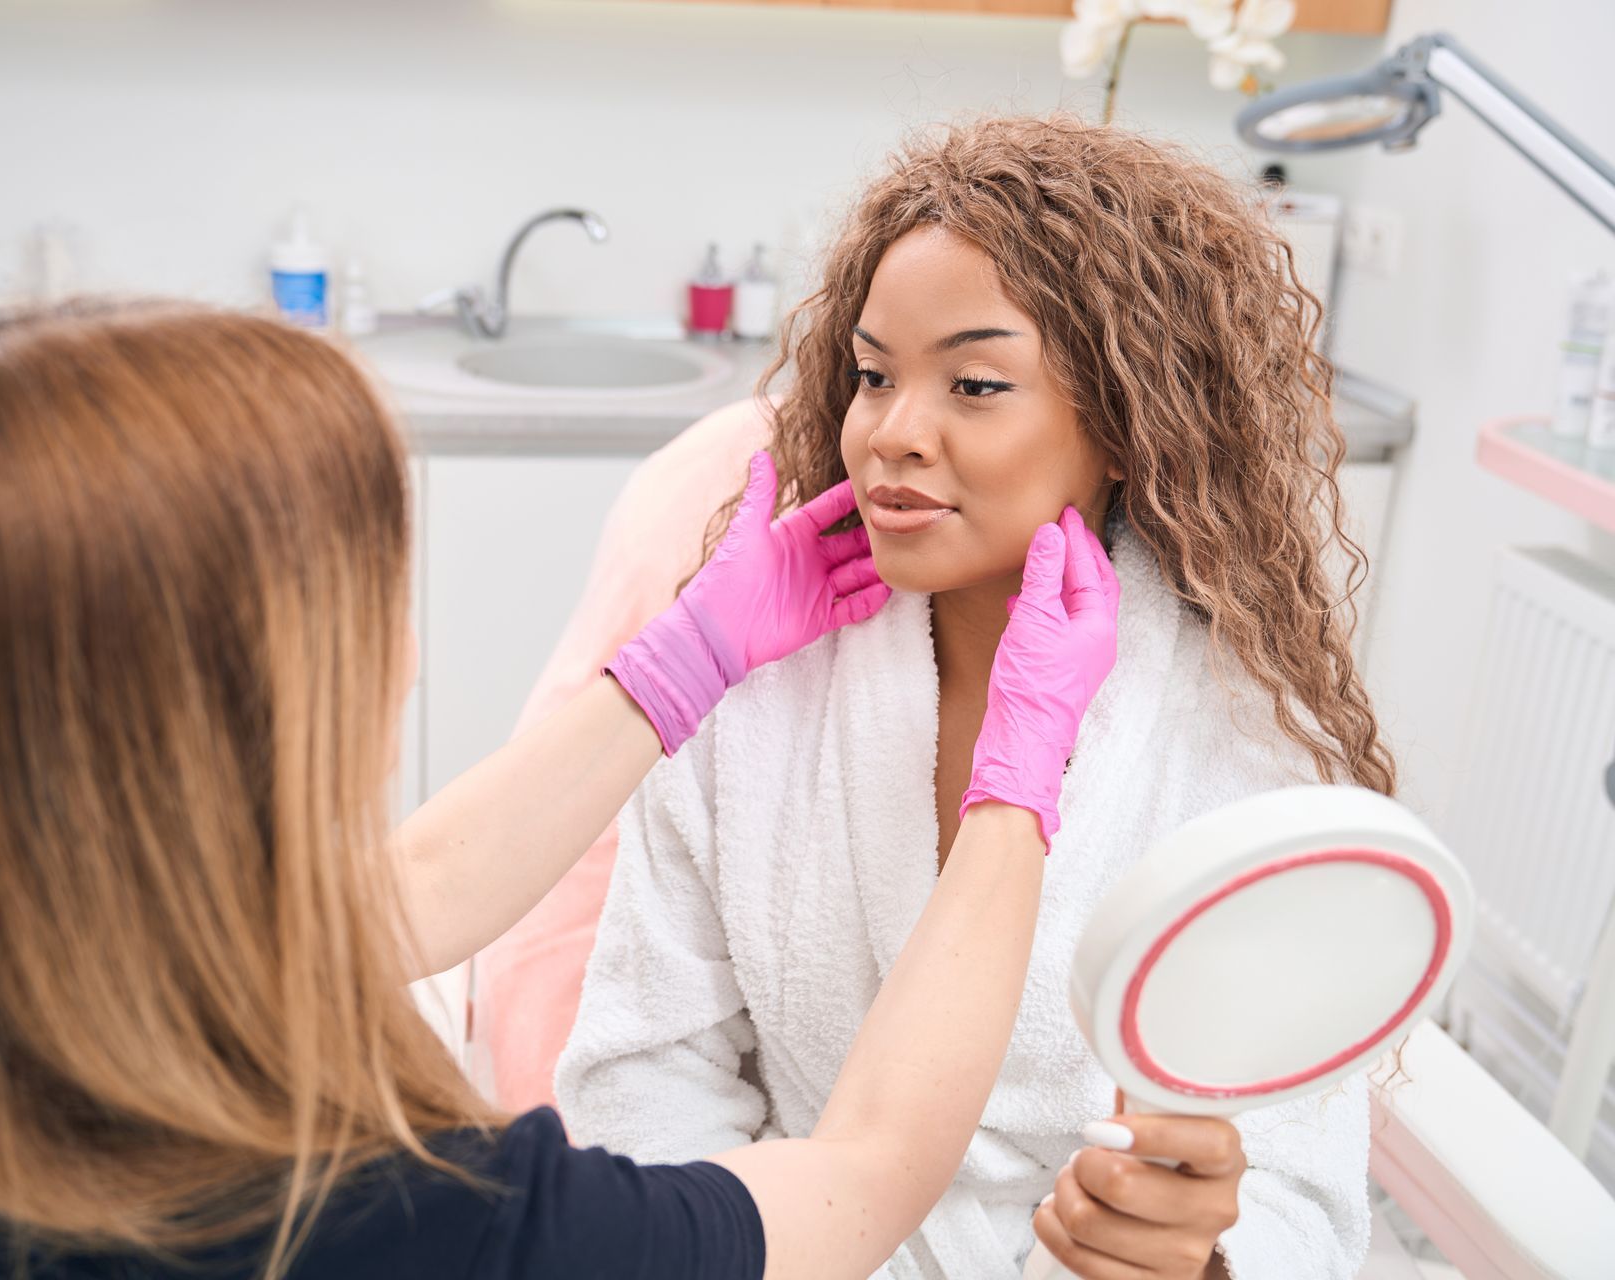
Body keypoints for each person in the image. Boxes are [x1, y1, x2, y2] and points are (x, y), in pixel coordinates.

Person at [0, 298, 1117, 1280]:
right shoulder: (410, 1223)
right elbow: (865, 1176)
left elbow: (402, 898)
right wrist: (1015, 793)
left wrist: (680, 661)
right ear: (211, 719)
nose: (407, 653)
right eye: (370, 601)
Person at [557, 115, 1390, 1279]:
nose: (892, 433)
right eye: (873, 375)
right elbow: (642, 1074)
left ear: (1124, 424)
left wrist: (1190, 1253)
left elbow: (1296, 1175)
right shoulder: (758, 687)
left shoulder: (1243, 739)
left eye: (976, 383)